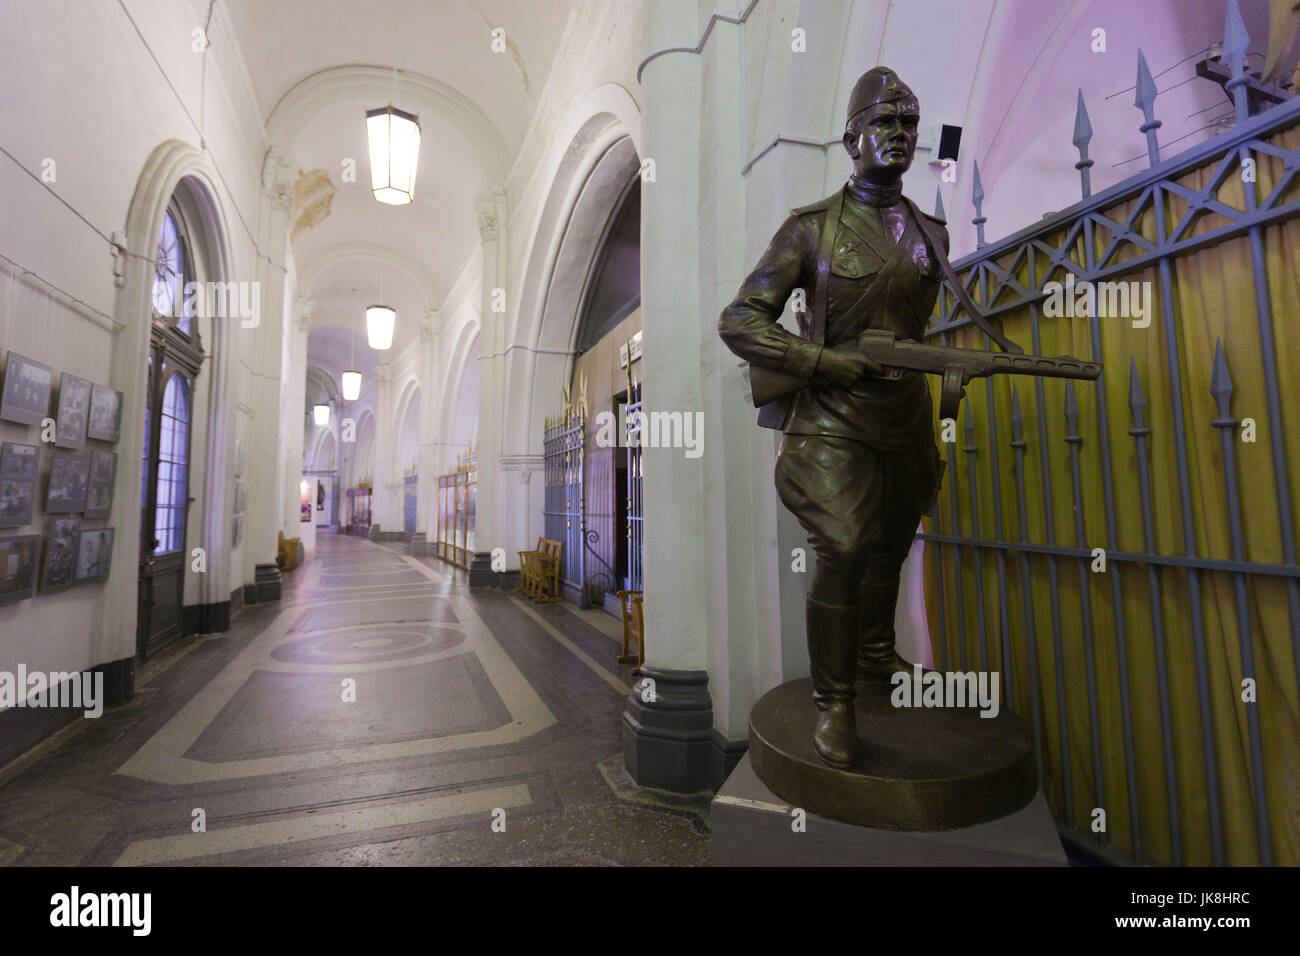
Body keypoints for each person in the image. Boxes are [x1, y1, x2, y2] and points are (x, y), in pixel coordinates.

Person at [718, 67, 948, 769]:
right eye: (885, 122)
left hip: (903, 415)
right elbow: (740, 320)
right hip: (828, 418)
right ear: (852, 136)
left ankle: (878, 656)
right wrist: (824, 362)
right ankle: (835, 702)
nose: (900, 136)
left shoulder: (931, 233)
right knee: (844, 547)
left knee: (891, 546)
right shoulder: (809, 228)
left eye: (909, 124)